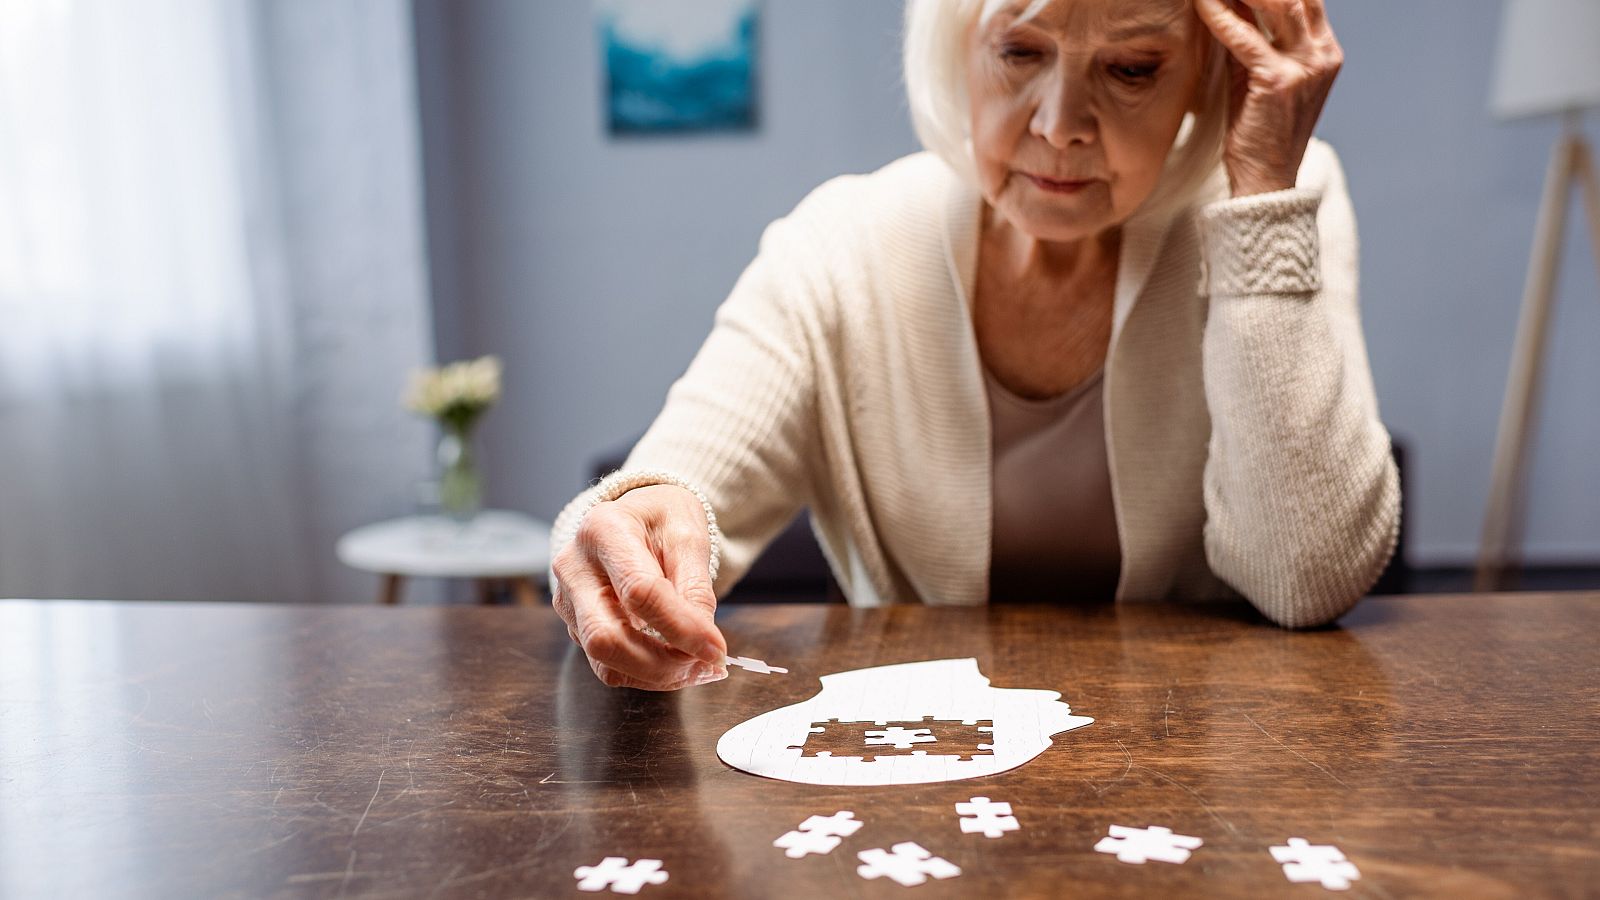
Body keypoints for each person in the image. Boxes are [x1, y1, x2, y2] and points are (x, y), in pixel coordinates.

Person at [549, 0, 1399, 691]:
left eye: (1132, 69)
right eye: (1021, 51)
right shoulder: (841, 242)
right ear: (959, 44)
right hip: (917, 767)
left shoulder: (1281, 190)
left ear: (1209, 75)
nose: (1063, 125)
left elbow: (1306, 582)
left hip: (1205, 767)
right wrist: (623, 529)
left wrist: (1259, 205)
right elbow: (674, 482)